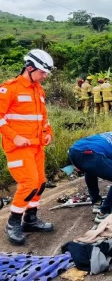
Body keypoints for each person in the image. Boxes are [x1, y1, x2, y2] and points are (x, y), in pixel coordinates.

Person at [0, 49, 55, 245]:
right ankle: (13, 222)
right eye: (42, 72)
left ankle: (30, 219)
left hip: (36, 146)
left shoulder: (38, 89)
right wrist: (14, 137)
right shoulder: (10, 88)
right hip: (18, 147)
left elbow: (43, 117)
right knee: (29, 183)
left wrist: (48, 133)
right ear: (29, 68)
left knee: (40, 183)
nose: (44, 76)